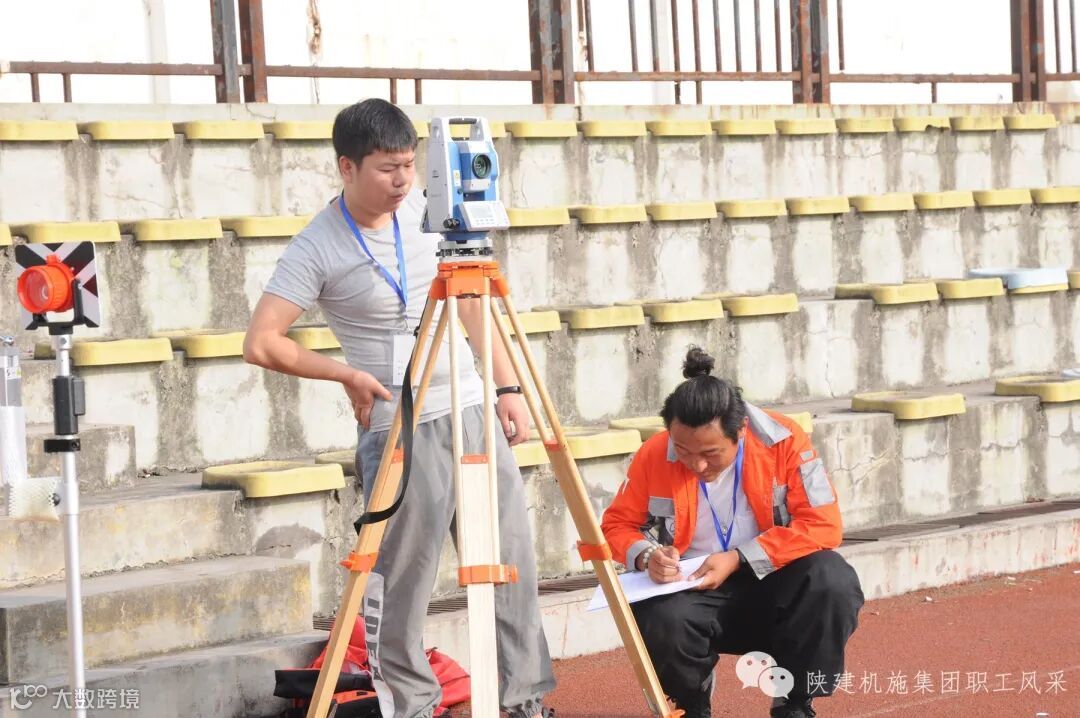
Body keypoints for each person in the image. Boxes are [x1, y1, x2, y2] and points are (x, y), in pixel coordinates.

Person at [243, 98, 554, 718]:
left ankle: (525, 700)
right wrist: (345, 374)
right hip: (399, 430)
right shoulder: (318, 245)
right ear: (347, 167)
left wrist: (508, 388)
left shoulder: (427, 210)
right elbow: (261, 341)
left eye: (410, 165)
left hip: (470, 407)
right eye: (387, 169)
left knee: (509, 560)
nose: (402, 181)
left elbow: (472, 304)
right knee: (403, 580)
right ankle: (409, 704)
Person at [601, 347, 864, 718]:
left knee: (831, 580)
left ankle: (794, 700)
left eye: (711, 452)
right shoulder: (654, 454)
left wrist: (739, 558)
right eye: (683, 450)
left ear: (740, 431)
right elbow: (616, 524)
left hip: (775, 582)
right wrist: (647, 556)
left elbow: (823, 523)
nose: (697, 464)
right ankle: (690, 702)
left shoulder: (784, 441)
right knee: (659, 616)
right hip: (693, 588)